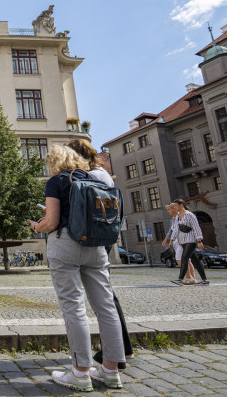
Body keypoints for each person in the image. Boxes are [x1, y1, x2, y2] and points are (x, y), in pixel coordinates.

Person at [28, 146, 125, 391]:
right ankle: (111, 370)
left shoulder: (57, 181)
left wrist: (37, 227)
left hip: (67, 244)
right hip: (96, 244)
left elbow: (51, 221)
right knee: (106, 306)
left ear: (54, 163)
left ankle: (81, 373)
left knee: (74, 306)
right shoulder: (94, 178)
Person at [65, 139, 133, 368]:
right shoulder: (102, 173)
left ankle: (116, 353)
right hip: (103, 234)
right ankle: (122, 348)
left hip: (93, 237)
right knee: (107, 296)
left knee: (105, 298)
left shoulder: (91, 177)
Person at [170, 199, 209, 285]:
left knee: (184, 258)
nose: (174, 207)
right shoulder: (178, 217)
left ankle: (180, 279)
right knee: (196, 261)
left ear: (181, 205)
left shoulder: (190, 215)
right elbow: (176, 229)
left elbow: (196, 227)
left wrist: (199, 241)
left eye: (176, 205)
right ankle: (205, 280)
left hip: (191, 240)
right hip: (183, 241)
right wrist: (171, 240)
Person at [162, 204, 196, 284]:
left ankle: (190, 277)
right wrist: (166, 240)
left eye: (169, 209)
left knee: (182, 259)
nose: (168, 211)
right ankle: (192, 278)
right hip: (176, 242)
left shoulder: (181, 216)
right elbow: (171, 231)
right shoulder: (172, 220)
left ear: (174, 209)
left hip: (182, 241)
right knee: (186, 260)